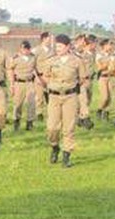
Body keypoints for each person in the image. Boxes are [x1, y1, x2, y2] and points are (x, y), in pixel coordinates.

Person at [45, 34, 86, 168]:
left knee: (69, 127)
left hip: (70, 97)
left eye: (60, 46)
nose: (58, 48)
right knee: (52, 127)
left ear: (68, 46)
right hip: (54, 97)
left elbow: (82, 78)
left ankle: (66, 154)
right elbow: (46, 76)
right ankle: (55, 146)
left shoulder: (77, 61)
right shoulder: (50, 61)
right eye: (56, 46)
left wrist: (71, 87)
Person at [9, 40, 37, 132]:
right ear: (20, 49)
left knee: (31, 103)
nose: (25, 51)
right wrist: (12, 85)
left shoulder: (33, 58)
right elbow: (11, 71)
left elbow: (36, 69)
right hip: (19, 83)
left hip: (30, 82)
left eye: (27, 49)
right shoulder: (15, 58)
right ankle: (16, 122)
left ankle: (30, 123)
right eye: (23, 49)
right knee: (18, 103)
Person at [75, 34, 96, 130]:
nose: (95, 45)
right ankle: (85, 119)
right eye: (93, 43)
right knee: (83, 100)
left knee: (88, 100)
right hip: (82, 80)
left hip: (90, 80)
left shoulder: (93, 53)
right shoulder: (81, 54)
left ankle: (79, 118)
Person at [32, 32, 54, 121]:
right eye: (49, 38)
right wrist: (37, 77)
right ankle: (39, 113)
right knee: (39, 96)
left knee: (50, 96)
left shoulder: (52, 50)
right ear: (44, 39)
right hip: (39, 76)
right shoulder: (36, 50)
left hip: (50, 76)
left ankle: (51, 113)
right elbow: (32, 65)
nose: (51, 41)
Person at [95, 39, 115, 121]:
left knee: (110, 97)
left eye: (111, 45)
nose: (110, 46)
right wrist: (108, 64)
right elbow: (100, 67)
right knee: (105, 97)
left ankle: (106, 112)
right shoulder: (99, 55)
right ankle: (100, 109)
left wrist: (110, 65)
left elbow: (113, 67)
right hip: (102, 77)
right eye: (108, 44)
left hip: (110, 77)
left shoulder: (112, 55)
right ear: (104, 46)